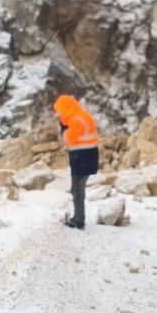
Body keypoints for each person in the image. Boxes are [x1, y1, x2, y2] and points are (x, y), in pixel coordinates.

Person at [53, 94, 99, 229]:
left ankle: (79, 220)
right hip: (87, 155)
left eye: (60, 110)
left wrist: (63, 127)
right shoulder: (83, 114)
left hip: (82, 156)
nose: (59, 113)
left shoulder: (76, 119)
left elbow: (69, 139)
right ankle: (78, 216)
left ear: (66, 108)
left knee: (77, 190)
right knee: (77, 188)